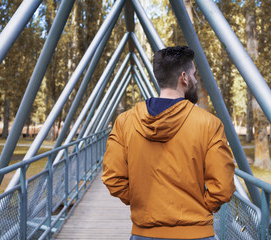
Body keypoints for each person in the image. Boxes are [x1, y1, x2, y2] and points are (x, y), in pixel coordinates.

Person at [101, 46, 235, 240]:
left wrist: (141, 201)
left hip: (144, 233)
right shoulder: (209, 124)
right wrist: (200, 207)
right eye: (194, 74)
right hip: (196, 233)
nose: (196, 80)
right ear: (184, 78)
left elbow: (113, 178)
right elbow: (222, 187)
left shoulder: (124, 122)